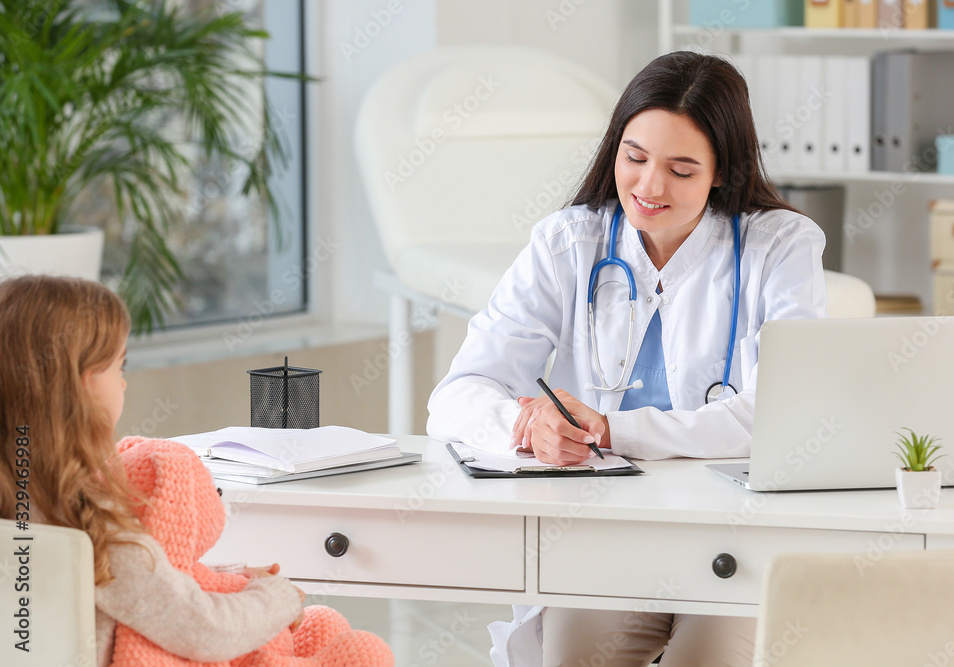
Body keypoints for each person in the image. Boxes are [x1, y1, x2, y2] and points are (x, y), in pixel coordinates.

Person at [426, 51, 827, 666]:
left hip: (736, 539)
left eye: (682, 169)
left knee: (709, 657)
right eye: (634, 158)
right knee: (577, 653)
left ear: (722, 172)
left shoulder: (780, 247)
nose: (649, 187)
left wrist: (614, 430)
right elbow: (458, 393)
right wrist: (525, 424)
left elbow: (780, 415)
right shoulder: (568, 242)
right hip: (606, 534)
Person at [0, 275, 393, 667]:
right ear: (83, 386)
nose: (123, 382)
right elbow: (205, 630)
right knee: (362, 652)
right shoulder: (92, 521)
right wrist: (276, 598)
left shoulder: (22, 501)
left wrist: (234, 577)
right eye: (119, 366)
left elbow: (153, 591)